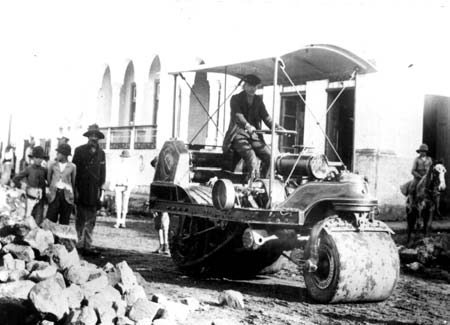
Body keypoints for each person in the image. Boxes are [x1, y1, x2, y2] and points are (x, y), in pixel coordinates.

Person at [222, 74, 284, 181]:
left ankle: (264, 182)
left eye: (255, 86)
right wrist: (247, 125)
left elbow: (266, 117)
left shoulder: (258, 100)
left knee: (270, 157)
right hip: (238, 135)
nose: (253, 89)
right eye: (250, 86)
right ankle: (251, 187)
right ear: (244, 86)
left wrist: (277, 127)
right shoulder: (236, 99)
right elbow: (238, 115)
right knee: (252, 159)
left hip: (254, 136)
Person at [72, 124, 106, 253]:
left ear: (98, 138)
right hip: (81, 188)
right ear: (88, 137)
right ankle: (78, 242)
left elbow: (103, 173)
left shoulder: (101, 154)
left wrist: (101, 192)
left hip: (94, 190)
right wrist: (74, 189)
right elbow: (74, 171)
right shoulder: (79, 150)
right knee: (80, 217)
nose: (93, 138)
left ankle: (88, 243)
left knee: (92, 218)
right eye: (91, 135)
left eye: (96, 136)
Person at [12, 146, 47, 225]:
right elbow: (15, 179)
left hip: (40, 200)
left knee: (38, 221)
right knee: (28, 219)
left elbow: (47, 183)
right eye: (37, 157)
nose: (39, 160)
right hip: (30, 199)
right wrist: (23, 186)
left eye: (41, 158)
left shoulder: (44, 170)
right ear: (33, 158)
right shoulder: (29, 169)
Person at [46, 143, 76, 225]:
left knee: (64, 220)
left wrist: (71, 195)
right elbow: (49, 179)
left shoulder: (72, 166)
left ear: (64, 155)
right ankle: (51, 237)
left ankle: (61, 238)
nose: (57, 155)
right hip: (54, 194)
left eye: (58, 153)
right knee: (50, 219)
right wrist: (52, 187)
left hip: (66, 195)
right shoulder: (52, 165)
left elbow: (73, 182)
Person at [150, 156, 170, 255]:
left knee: (165, 224)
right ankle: (161, 245)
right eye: (155, 166)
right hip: (156, 203)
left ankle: (166, 245)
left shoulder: (167, 176)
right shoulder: (155, 177)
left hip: (165, 202)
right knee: (158, 225)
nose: (155, 168)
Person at [112, 150, 133, 228]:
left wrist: (129, 186)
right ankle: (118, 221)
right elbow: (114, 176)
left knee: (125, 205)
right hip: (118, 186)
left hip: (126, 187)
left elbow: (132, 178)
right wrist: (113, 185)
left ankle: (123, 221)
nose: (124, 158)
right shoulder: (118, 166)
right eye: (123, 157)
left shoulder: (130, 167)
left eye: (126, 157)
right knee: (118, 204)